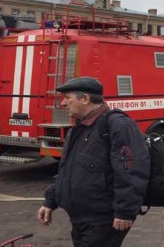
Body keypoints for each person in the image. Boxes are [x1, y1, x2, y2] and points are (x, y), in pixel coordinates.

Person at [38, 77, 150, 247]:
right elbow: (67, 170)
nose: (63, 103)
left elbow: (132, 170)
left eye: (67, 97)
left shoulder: (118, 125)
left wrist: (125, 211)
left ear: (85, 99)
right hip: (81, 218)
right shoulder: (78, 129)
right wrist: (51, 201)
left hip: (104, 219)